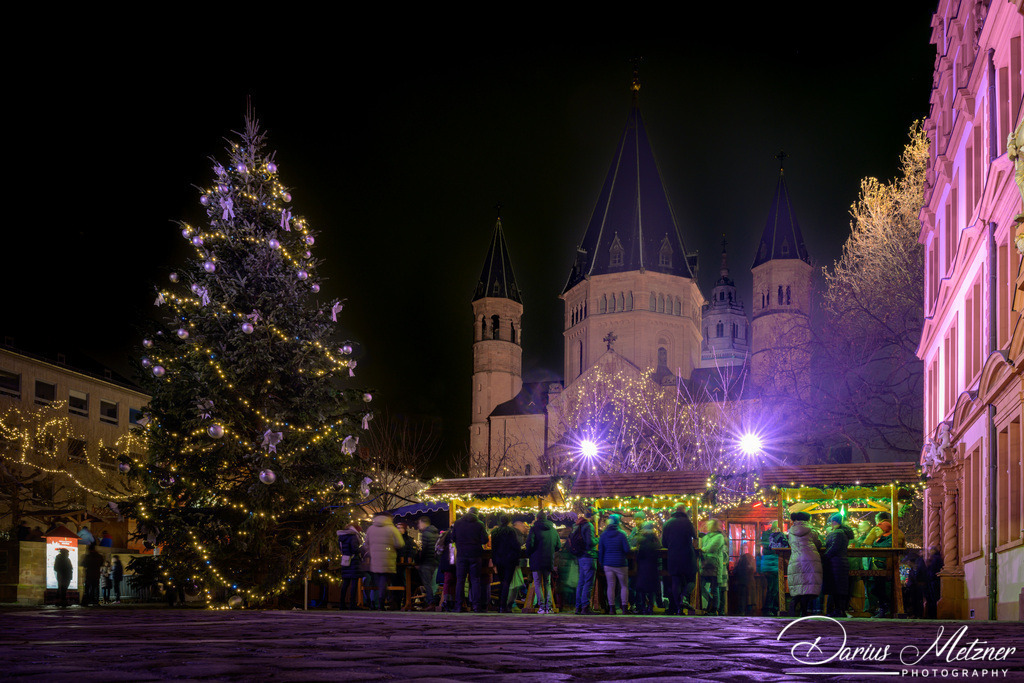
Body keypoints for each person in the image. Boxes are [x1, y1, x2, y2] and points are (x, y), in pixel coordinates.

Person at [662, 506, 698, 614]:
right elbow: (695, 536)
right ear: (684, 511)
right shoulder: (688, 522)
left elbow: (663, 543)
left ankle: (679, 608)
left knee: (676, 581)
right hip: (687, 555)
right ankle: (684, 597)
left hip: (673, 555)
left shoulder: (667, 523)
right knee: (692, 578)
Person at [451, 508, 489, 612]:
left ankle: (458, 606)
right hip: (475, 555)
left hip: (461, 555)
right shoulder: (479, 524)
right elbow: (485, 540)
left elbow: (452, 537)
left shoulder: (458, 523)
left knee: (460, 580)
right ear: (476, 514)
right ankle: (476, 606)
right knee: (475, 580)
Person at [786, 511, 823, 617]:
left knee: (799, 585)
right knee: (808, 586)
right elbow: (818, 544)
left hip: (796, 559)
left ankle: (793, 605)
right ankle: (804, 611)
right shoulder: (812, 530)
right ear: (807, 520)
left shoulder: (791, 531)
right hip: (811, 559)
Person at [364, 513, 404, 610]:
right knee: (384, 581)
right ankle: (381, 603)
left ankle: (374, 603)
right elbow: (400, 543)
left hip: (375, 559)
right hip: (387, 558)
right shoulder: (392, 529)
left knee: (377, 581)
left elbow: (366, 544)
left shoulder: (370, 529)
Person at [526, 511, 560, 614]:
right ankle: (548, 607)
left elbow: (529, 544)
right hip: (548, 559)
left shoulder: (533, 529)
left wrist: (529, 554)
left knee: (537, 583)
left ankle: (541, 606)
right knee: (547, 583)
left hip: (536, 560)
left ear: (537, 518)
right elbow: (558, 546)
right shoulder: (553, 530)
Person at [822, 513, 854, 617]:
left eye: (831, 522)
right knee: (839, 587)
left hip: (835, 563)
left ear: (834, 522)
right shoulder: (843, 532)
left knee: (836, 587)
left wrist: (825, 556)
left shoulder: (838, 533)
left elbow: (834, 548)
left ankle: (838, 610)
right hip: (841, 562)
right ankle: (839, 610)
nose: (830, 524)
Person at [598, 513, 630, 614]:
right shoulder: (622, 534)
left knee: (610, 586)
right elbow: (627, 549)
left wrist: (602, 563)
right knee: (624, 586)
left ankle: (612, 608)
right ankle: (624, 607)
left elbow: (601, 551)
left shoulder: (603, 535)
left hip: (608, 563)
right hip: (621, 563)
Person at [570, 509, 598, 614]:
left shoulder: (577, 525)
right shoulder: (589, 525)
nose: (598, 517)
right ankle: (585, 606)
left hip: (580, 556)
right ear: (593, 515)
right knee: (588, 582)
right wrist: (598, 539)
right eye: (597, 515)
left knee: (581, 582)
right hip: (588, 555)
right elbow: (590, 542)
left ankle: (578, 607)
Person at [490, 515, 521, 612]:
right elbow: (515, 545)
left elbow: (493, 548)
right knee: (507, 582)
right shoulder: (511, 531)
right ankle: (504, 606)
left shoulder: (495, 532)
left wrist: (494, 561)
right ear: (509, 521)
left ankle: (500, 605)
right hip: (510, 560)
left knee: (501, 581)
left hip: (499, 559)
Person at [699, 519, 728, 615]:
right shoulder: (707, 536)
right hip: (705, 564)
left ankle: (714, 608)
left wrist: (702, 549)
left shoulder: (719, 537)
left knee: (715, 587)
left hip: (714, 565)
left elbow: (710, 548)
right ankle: (712, 603)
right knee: (701, 586)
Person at [632, 521, 661, 615]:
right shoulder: (655, 541)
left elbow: (638, 554)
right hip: (653, 566)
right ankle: (650, 607)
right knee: (652, 589)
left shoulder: (641, 541)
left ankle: (643, 607)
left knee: (643, 589)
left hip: (643, 566)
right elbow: (659, 548)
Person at [337, 523, 363, 610]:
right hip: (353, 561)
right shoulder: (353, 536)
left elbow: (341, 549)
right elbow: (355, 549)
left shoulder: (341, 537)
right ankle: (352, 604)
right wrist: (363, 548)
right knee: (354, 583)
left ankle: (342, 604)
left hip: (345, 561)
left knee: (345, 583)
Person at [415, 517, 439, 609]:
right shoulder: (436, 533)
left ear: (422, 522)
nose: (418, 525)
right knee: (433, 584)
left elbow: (424, 549)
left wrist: (419, 562)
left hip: (427, 562)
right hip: (435, 562)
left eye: (419, 523)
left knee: (427, 583)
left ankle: (430, 602)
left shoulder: (425, 534)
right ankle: (433, 601)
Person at [758, 521, 781, 616]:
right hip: (772, 564)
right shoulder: (772, 536)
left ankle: (772, 608)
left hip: (768, 564)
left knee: (772, 587)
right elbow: (774, 547)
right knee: (773, 588)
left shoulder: (765, 535)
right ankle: (769, 608)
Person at [437, 526, 457, 612]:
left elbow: (438, 550)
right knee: (453, 582)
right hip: (453, 563)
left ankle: (447, 601)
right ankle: (451, 601)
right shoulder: (454, 538)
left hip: (445, 562)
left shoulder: (444, 536)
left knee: (448, 582)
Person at [924, 546, 943, 619]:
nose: (929, 552)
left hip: (934, 580)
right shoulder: (933, 558)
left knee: (934, 597)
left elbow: (933, 569)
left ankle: (933, 614)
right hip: (932, 579)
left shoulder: (935, 558)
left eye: (931, 550)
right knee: (932, 597)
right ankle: (932, 614)